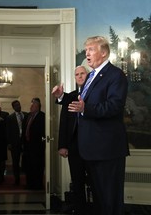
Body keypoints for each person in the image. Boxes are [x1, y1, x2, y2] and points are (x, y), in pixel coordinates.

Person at [53, 36, 129, 215]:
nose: (86, 53)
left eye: (91, 50)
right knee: (99, 200)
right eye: (86, 50)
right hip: (91, 150)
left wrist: (86, 108)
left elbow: (114, 106)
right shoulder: (92, 76)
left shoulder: (115, 75)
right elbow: (79, 102)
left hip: (107, 150)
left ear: (103, 53)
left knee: (110, 199)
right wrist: (62, 97)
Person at [52, 65, 89, 215]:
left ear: (89, 75)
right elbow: (64, 123)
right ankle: (80, 210)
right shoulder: (71, 96)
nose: (79, 76)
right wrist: (62, 145)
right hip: (75, 148)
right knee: (78, 183)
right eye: (77, 75)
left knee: (96, 183)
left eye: (82, 74)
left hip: (94, 147)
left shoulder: (95, 94)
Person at [22, 97, 45, 190]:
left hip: (37, 147)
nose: (31, 106)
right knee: (29, 166)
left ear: (38, 106)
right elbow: (24, 130)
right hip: (28, 146)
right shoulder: (28, 116)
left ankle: (38, 185)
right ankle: (29, 184)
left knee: (37, 166)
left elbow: (43, 131)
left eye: (34, 104)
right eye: (31, 104)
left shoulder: (42, 116)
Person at [6, 100, 27, 185]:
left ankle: (27, 178)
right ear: (13, 107)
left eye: (19, 104)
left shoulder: (26, 115)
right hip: (15, 143)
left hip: (25, 142)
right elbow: (8, 131)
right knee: (15, 162)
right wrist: (9, 143)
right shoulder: (10, 118)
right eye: (16, 105)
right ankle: (17, 179)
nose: (18, 106)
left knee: (26, 160)